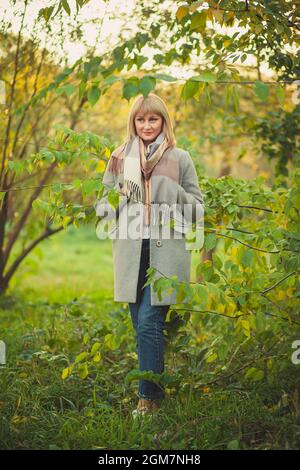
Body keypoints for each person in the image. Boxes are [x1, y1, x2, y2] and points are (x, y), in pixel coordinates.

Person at [94, 93, 205, 417]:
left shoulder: (180, 158)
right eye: (140, 119)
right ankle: (155, 392)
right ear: (133, 122)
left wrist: (168, 188)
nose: (146, 125)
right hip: (131, 251)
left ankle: (148, 400)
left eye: (153, 119)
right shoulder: (118, 157)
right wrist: (118, 195)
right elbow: (102, 209)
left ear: (163, 122)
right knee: (141, 326)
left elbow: (198, 210)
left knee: (148, 322)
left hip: (166, 253)